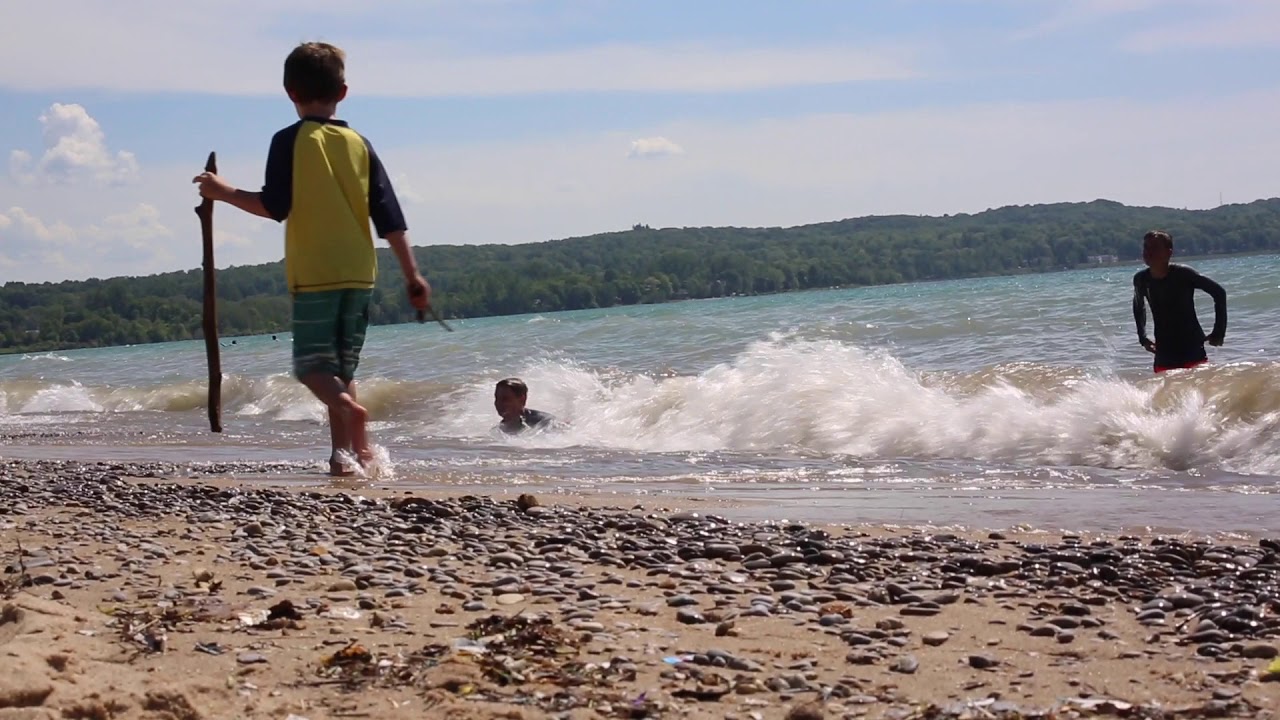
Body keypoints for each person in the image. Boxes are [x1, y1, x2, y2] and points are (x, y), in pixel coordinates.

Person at [193, 41, 430, 476]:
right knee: (340, 367)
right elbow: (390, 216)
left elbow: (274, 206)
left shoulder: (288, 140)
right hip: (361, 272)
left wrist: (221, 192)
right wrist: (412, 274)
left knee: (309, 368)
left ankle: (351, 417)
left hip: (316, 272)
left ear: (289, 92)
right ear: (343, 91)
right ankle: (349, 457)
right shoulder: (360, 143)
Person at [1132, 230, 1226, 373]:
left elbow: (1219, 293)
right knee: (1166, 392)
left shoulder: (1183, 274)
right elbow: (1139, 307)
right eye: (1146, 247)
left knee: (1198, 390)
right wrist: (1143, 338)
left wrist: (1218, 332)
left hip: (1192, 347)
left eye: (1155, 248)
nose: (1148, 252)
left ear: (1169, 253)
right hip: (1164, 351)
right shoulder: (1141, 280)